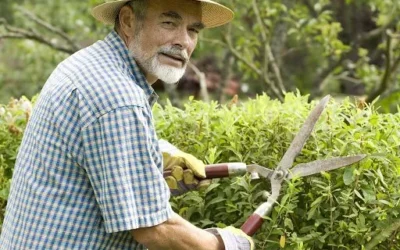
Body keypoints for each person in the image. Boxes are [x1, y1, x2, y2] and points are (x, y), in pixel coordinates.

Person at [0, 0, 254, 249]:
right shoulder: (118, 98)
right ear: (128, 21)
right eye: (169, 22)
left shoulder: (89, 64)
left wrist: (157, 155)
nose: (184, 42)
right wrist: (222, 244)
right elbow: (153, 229)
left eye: (193, 30)